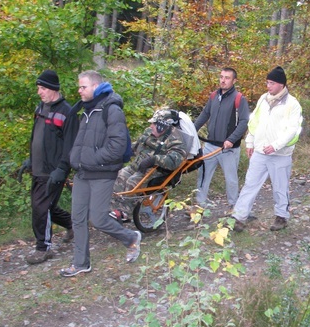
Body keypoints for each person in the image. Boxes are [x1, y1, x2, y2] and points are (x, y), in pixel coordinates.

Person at [61, 70, 142, 277]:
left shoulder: (112, 110)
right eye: (79, 86)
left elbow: (117, 146)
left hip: (102, 174)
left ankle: (131, 237)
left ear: (96, 87)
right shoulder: (87, 110)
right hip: (82, 173)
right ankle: (81, 263)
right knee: (77, 219)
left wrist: (90, 159)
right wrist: (74, 159)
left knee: (98, 219)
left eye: (83, 87)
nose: (79, 90)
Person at [231, 66, 302, 232]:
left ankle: (281, 216)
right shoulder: (263, 99)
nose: (268, 86)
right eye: (267, 82)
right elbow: (254, 122)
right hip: (260, 151)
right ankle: (239, 217)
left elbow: (292, 129)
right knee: (250, 184)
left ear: (281, 84)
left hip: (281, 154)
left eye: (271, 83)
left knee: (280, 186)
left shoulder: (293, 104)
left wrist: (276, 145)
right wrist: (250, 142)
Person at [17, 70, 75, 265]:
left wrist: (62, 169)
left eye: (42, 88)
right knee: (43, 206)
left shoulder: (67, 112)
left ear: (53, 89)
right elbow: (37, 137)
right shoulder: (40, 108)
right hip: (38, 168)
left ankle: (43, 248)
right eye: (38, 88)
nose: (39, 92)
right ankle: (71, 224)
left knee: (41, 207)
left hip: (53, 171)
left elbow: (70, 145)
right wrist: (30, 160)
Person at [110, 109, 188, 222]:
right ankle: (113, 208)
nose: (151, 126)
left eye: (154, 123)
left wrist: (154, 159)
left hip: (155, 170)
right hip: (137, 165)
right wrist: (123, 152)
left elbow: (174, 161)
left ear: (163, 125)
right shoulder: (149, 132)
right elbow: (137, 145)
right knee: (120, 175)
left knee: (133, 182)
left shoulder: (175, 139)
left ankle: (124, 212)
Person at [193, 67, 250, 209]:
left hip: (228, 148)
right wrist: (192, 130)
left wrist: (231, 140)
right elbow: (205, 114)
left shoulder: (239, 99)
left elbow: (244, 122)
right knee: (203, 174)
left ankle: (234, 207)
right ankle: (200, 205)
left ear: (234, 80)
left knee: (231, 179)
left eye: (227, 78)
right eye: (221, 77)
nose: (223, 80)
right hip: (210, 146)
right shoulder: (213, 96)